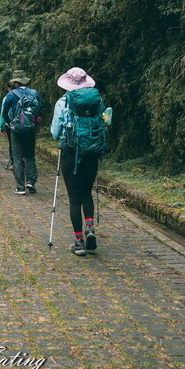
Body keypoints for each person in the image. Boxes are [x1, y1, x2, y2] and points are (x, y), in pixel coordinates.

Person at [50, 67, 107, 256]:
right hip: (91, 152)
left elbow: (55, 132)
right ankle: (90, 228)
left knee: (74, 198)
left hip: (71, 153)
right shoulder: (96, 101)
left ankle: (78, 242)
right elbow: (105, 122)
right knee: (86, 194)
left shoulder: (63, 101)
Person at [0, 70, 42, 195]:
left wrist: (9, 122)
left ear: (15, 82)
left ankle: (20, 187)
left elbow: (5, 111)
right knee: (30, 155)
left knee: (17, 157)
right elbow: (40, 108)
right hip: (30, 128)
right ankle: (31, 181)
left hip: (16, 129)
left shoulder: (11, 95)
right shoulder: (34, 93)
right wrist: (35, 123)